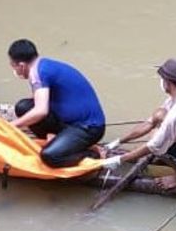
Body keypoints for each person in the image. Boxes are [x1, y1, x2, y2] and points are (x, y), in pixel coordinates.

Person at [99, 58, 176, 187]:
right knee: (159, 116)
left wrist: (118, 160)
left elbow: (153, 146)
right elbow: (150, 122)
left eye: (162, 79)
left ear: (168, 82)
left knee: (157, 141)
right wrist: (116, 143)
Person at [6, 38, 106, 168]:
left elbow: (41, 111)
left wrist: (12, 126)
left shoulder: (38, 74)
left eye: (13, 65)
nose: (15, 71)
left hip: (88, 128)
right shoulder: (42, 65)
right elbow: (37, 101)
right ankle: (56, 140)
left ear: (21, 65)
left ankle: (91, 154)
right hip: (67, 121)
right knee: (23, 107)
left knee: (49, 156)